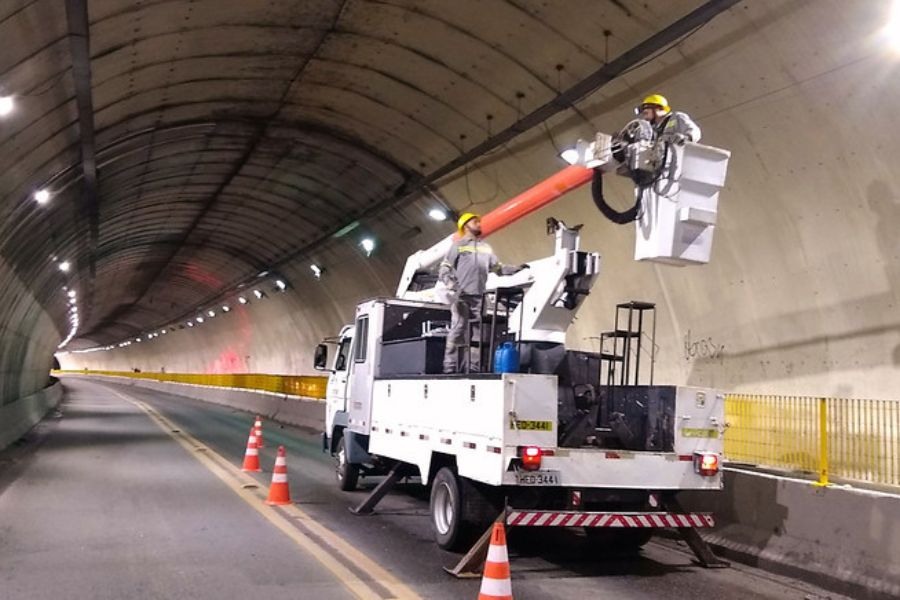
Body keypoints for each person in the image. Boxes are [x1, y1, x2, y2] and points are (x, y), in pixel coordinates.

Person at [438, 213, 525, 374]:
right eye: (475, 222)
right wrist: (453, 286)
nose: (479, 224)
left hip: (479, 297)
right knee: (458, 329)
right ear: (465, 226)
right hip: (462, 296)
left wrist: (516, 269)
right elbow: (444, 269)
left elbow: (499, 269)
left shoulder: (486, 248)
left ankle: (473, 367)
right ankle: (449, 367)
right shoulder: (457, 246)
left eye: (479, 222)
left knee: (477, 334)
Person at [635, 94, 701, 144]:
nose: (644, 113)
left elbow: (695, 131)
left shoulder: (676, 117)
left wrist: (686, 138)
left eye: (646, 110)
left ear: (659, 108)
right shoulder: (651, 130)